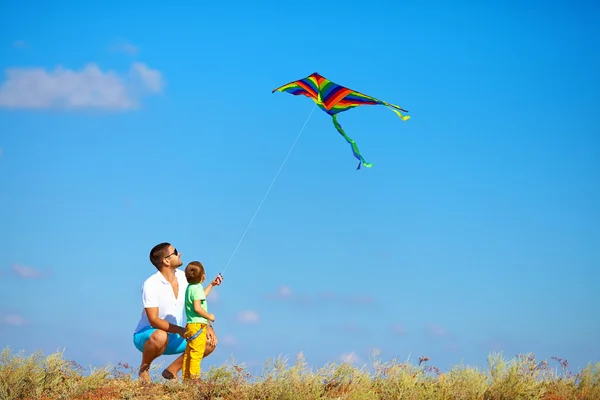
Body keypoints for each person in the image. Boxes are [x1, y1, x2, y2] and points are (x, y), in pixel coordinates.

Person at [133, 242, 223, 381]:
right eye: (175, 252)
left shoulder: (184, 278)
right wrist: (180, 330)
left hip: (176, 336)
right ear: (166, 260)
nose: (179, 253)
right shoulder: (151, 284)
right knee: (160, 335)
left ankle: (172, 370)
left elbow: (197, 302)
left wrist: (207, 325)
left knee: (207, 341)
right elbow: (154, 320)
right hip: (148, 335)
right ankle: (144, 370)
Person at [181, 261, 217, 380]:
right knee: (196, 354)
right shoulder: (196, 289)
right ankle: (194, 380)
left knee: (189, 353)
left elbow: (202, 295)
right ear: (203, 276)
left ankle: (186, 379)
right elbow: (197, 308)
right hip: (198, 326)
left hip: (191, 326)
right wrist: (208, 316)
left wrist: (211, 285)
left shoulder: (191, 288)